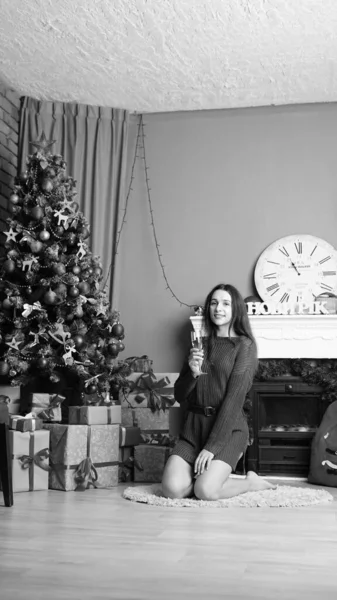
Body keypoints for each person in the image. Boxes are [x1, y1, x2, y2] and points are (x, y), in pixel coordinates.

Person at [162, 283, 276, 500]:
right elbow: (179, 395)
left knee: (205, 491)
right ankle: (204, 477)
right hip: (193, 430)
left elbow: (234, 400)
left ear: (236, 309)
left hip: (228, 430)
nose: (218, 308)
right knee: (171, 490)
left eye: (226, 303)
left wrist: (212, 447)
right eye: (213, 303)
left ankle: (249, 482)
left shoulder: (245, 345)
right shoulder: (199, 344)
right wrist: (192, 374)